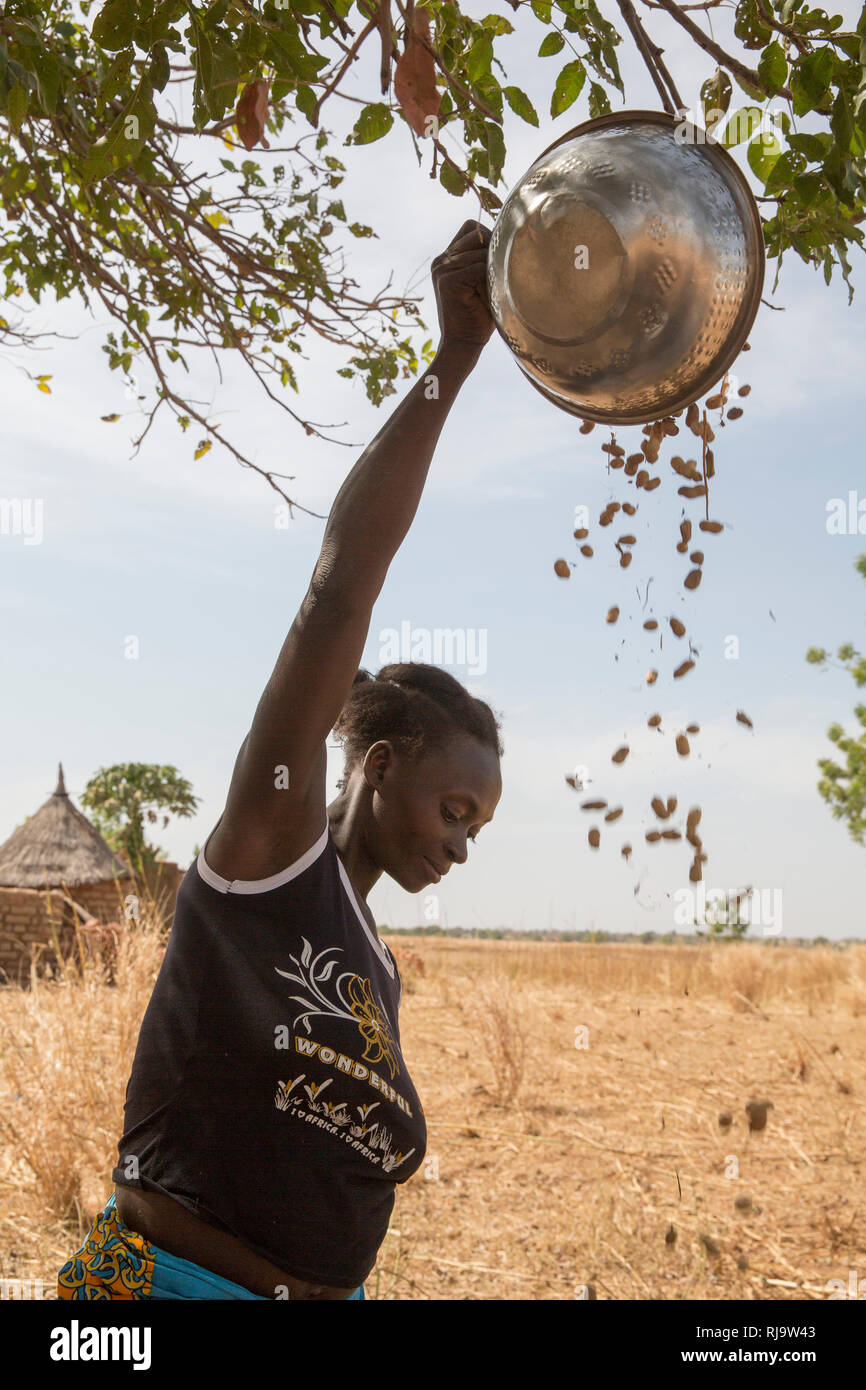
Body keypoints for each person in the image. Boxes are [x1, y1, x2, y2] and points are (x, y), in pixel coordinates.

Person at [57, 220, 504, 1301]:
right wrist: (451, 364)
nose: (460, 845)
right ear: (379, 766)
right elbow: (337, 592)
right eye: (454, 809)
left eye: (476, 829)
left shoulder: (373, 964)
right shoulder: (266, 857)